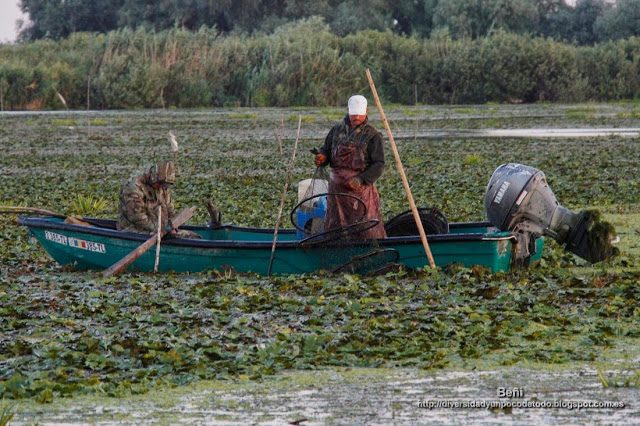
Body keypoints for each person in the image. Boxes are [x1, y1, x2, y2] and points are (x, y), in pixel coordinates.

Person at [314, 95, 387, 239]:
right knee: (336, 227)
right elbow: (326, 150)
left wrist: (361, 179)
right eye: (354, 113)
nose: (356, 117)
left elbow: (379, 164)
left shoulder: (373, 136)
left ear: (366, 111)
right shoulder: (336, 131)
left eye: (359, 113)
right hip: (337, 192)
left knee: (365, 228)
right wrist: (322, 157)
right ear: (348, 111)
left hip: (360, 192)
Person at [117, 160, 200, 238]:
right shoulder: (134, 188)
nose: (163, 188)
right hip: (135, 229)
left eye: (166, 185)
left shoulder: (163, 188)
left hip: (160, 228)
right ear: (154, 178)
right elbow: (137, 217)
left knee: (192, 236)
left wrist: (172, 226)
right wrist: (160, 229)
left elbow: (170, 210)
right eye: (162, 184)